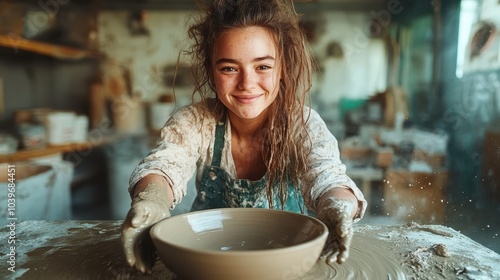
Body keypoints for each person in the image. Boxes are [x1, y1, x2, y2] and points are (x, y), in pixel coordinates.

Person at [121, 0, 367, 274]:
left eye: (262, 67)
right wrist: (152, 200)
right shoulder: (194, 122)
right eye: (229, 68)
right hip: (209, 259)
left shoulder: (303, 123)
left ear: (282, 68)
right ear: (212, 72)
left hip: (286, 260)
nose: (247, 84)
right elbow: (164, 165)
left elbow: (328, 177)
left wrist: (337, 206)